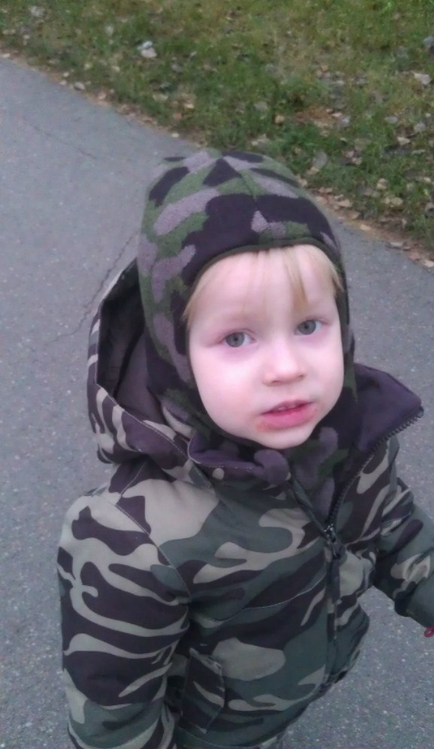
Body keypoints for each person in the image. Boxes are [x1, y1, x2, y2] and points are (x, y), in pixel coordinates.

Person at [58, 149, 434, 749]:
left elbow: (390, 522)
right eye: (237, 337)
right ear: (176, 353)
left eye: (309, 326)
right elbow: (114, 717)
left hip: (291, 688)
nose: (286, 368)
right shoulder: (131, 540)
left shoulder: (350, 437)